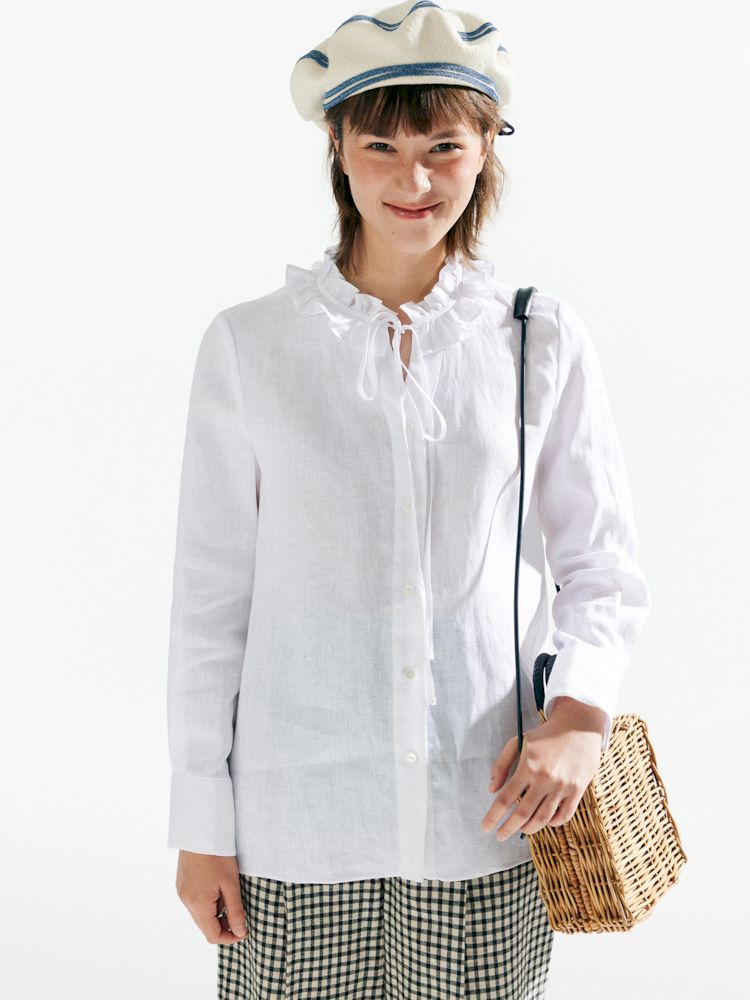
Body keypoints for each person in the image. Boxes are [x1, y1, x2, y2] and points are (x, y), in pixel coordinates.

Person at [166, 3, 652, 998]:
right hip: (294, 827)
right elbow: (211, 605)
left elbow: (601, 565)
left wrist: (578, 717)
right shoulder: (251, 346)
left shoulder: (538, 339)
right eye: (381, 146)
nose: (414, 180)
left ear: (486, 149)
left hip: (485, 824)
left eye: (443, 147)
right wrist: (199, 825)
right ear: (337, 150)